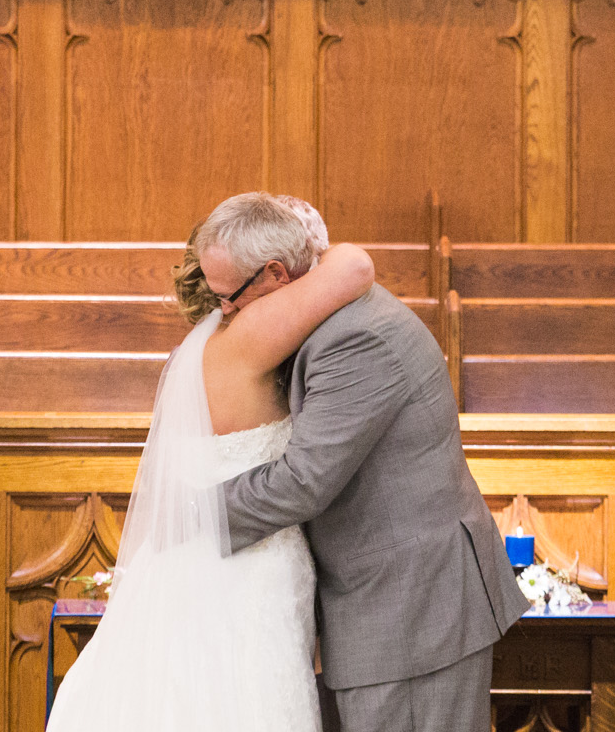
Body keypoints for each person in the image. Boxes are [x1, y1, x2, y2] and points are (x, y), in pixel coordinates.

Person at [45, 194, 378, 732]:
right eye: (222, 294)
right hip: (253, 563)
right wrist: (315, 247)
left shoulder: (204, 343)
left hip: (189, 560)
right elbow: (357, 266)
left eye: (231, 294)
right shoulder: (251, 332)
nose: (226, 304)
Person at [218, 198, 525, 732]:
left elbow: (303, 482)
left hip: (411, 614)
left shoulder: (352, 337)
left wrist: (191, 516)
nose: (225, 313)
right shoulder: (330, 318)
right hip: (394, 603)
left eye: (230, 298)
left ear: (275, 274)